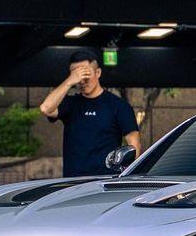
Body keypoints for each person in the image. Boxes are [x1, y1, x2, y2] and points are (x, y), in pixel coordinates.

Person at [39, 48, 142, 177]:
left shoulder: (118, 106)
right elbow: (45, 108)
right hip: (72, 182)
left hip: (105, 181)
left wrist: (125, 177)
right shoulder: (71, 104)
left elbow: (134, 145)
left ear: (97, 73)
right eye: (77, 77)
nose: (81, 81)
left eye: (86, 75)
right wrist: (70, 81)